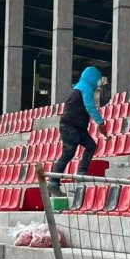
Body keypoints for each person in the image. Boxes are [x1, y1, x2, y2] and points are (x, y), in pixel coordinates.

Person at [47, 66, 109, 197]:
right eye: (98, 79)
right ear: (92, 77)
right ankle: (53, 182)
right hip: (71, 127)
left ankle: (81, 173)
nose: (98, 83)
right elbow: (90, 106)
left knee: (91, 146)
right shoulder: (86, 87)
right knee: (67, 154)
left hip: (78, 127)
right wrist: (100, 122)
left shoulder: (78, 87)